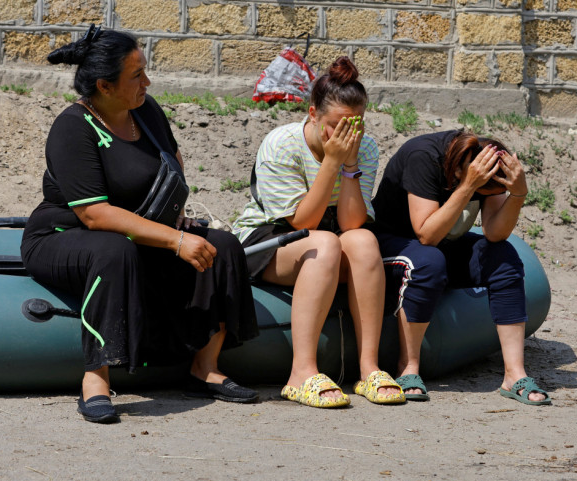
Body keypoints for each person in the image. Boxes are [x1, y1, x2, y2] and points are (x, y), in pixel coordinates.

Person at [21, 25, 259, 424]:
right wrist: (174, 239)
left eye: (145, 70)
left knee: (224, 244)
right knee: (115, 249)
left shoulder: (144, 111)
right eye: (137, 75)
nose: (147, 81)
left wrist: (176, 213)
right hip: (65, 235)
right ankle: (95, 379)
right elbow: (94, 214)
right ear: (105, 86)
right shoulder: (73, 127)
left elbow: (173, 161)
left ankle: (205, 367)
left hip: (140, 229)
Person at [232, 57, 405, 408]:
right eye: (335, 126)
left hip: (326, 238)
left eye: (355, 126)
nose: (345, 136)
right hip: (268, 239)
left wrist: (350, 165)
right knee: (324, 243)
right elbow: (301, 223)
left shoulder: (365, 147)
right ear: (312, 114)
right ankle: (301, 374)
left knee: (364, 239)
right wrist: (331, 161)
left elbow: (352, 223)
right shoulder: (281, 145)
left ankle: (368, 368)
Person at [368, 130, 552, 405]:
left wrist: (517, 193)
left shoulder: (485, 166)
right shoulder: (425, 156)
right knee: (429, 260)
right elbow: (426, 235)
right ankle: (408, 367)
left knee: (503, 257)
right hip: (393, 244)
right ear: (459, 171)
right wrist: (468, 187)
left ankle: (514, 375)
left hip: (439, 245)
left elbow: (494, 233)